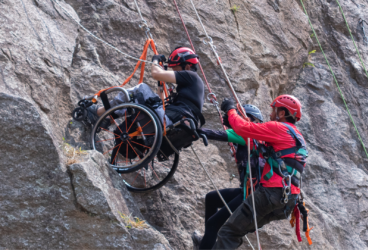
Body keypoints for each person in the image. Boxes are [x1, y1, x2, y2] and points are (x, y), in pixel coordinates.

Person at [212, 95, 308, 249]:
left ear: (282, 113)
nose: (270, 115)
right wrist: (232, 123)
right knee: (236, 231)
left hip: (270, 194)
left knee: (229, 232)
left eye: (273, 110)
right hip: (288, 201)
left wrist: (231, 109)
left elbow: (243, 128)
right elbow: (256, 141)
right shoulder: (296, 136)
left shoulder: (279, 128)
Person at [191, 104, 264, 250]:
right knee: (211, 198)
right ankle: (207, 242)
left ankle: (205, 247)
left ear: (251, 119)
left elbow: (218, 134)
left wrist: (193, 131)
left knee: (213, 223)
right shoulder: (256, 138)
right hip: (249, 190)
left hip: (250, 194)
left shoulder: (248, 134)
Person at [86, 46, 205, 128]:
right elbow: (162, 101)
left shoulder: (191, 76)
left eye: (176, 68)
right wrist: (160, 83)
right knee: (137, 100)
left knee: (142, 88)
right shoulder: (191, 87)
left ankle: (97, 112)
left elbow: (155, 73)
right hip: (172, 122)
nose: (173, 71)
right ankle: (109, 118)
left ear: (188, 67)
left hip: (169, 121)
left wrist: (155, 60)